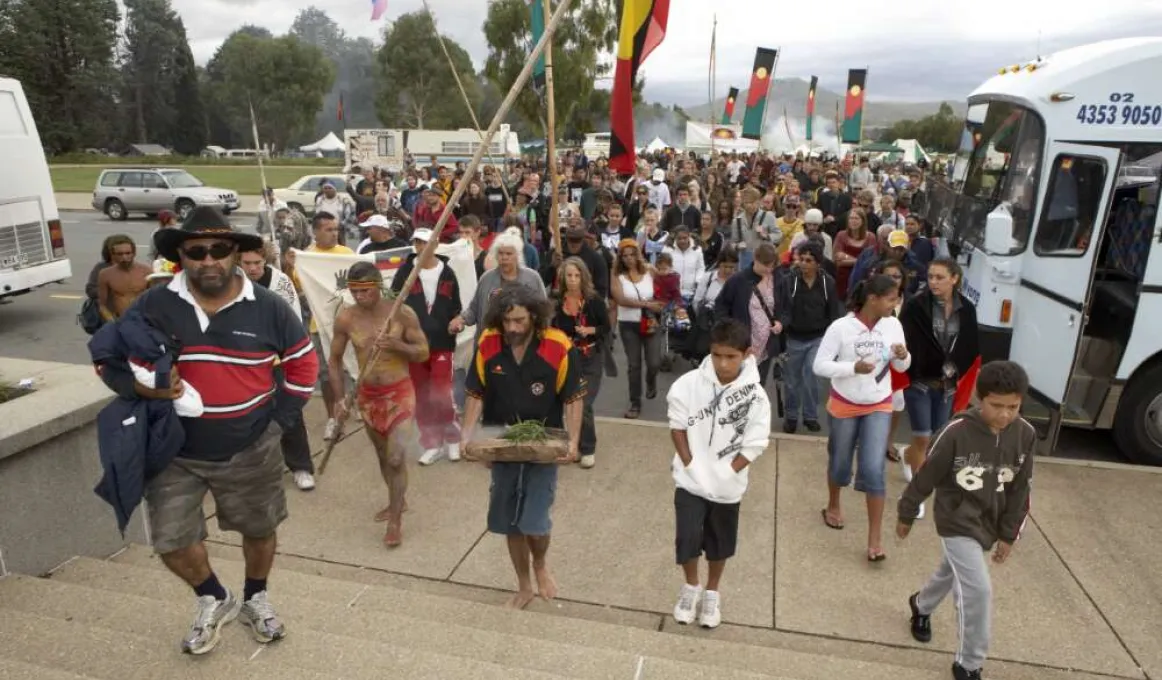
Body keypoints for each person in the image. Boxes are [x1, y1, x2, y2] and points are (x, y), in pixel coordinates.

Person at [103, 206, 317, 655]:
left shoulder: (269, 306)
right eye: (196, 251)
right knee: (171, 542)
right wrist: (148, 389)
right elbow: (110, 359)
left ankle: (255, 595)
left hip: (251, 446)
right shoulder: (154, 303)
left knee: (259, 529)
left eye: (219, 249)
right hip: (174, 451)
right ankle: (214, 596)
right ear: (181, 255)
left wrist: (280, 422)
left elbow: (303, 362)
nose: (208, 260)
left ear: (236, 254)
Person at [898, 361, 1035, 680]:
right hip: (955, 519)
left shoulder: (1025, 435)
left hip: (991, 521)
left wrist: (1008, 534)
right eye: (996, 406)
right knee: (977, 591)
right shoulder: (957, 431)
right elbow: (927, 472)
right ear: (978, 398)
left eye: (1013, 407)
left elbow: (1021, 489)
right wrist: (907, 511)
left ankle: (921, 604)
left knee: (953, 570)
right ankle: (969, 663)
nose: (1004, 415)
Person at [460, 284, 585, 609]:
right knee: (508, 521)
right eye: (507, 321)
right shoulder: (489, 341)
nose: (512, 328)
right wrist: (467, 435)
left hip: (542, 443)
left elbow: (573, 398)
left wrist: (572, 440)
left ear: (534, 315)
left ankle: (540, 565)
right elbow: (475, 391)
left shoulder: (558, 345)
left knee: (534, 521)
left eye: (519, 320)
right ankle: (524, 584)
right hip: (501, 442)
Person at [667, 318, 771, 629]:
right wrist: (689, 464)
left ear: (747, 354)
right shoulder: (688, 384)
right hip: (689, 483)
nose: (723, 364)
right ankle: (690, 587)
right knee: (686, 537)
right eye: (717, 355)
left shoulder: (756, 396)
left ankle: (712, 592)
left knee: (719, 543)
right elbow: (678, 426)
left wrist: (728, 472)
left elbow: (755, 443)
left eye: (731, 357)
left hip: (728, 487)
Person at [330, 262, 429, 548]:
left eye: (366, 290)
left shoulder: (401, 313)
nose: (360, 296)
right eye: (355, 291)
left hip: (399, 393)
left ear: (378, 286)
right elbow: (334, 361)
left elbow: (423, 353)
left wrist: (398, 346)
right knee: (384, 456)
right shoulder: (346, 319)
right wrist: (340, 399)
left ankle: (395, 521)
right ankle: (398, 500)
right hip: (368, 396)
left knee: (397, 457)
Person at [813, 274, 911, 562]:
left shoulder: (893, 324)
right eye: (891, 299)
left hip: (879, 404)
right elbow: (820, 365)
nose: (896, 304)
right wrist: (852, 367)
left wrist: (903, 356)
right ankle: (833, 504)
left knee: (873, 468)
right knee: (840, 461)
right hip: (845, 404)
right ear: (873, 298)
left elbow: (903, 363)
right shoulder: (841, 328)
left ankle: (875, 540)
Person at [900, 258, 981, 513]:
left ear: (954, 279)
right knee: (923, 437)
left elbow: (970, 344)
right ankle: (917, 495)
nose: (933, 282)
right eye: (931, 276)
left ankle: (907, 456)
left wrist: (957, 371)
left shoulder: (967, 308)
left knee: (936, 440)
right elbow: (908, 339)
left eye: (939, 277)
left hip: (947, 384)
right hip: (919, 382)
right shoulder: (916, 306)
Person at [239, 243, 316, 491]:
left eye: (257, 263)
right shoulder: (230, 282)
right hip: (244, 362)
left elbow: (291, 324)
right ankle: (253, 467)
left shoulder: (280, 283)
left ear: (265, 262)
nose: (252, 269)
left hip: (276, 360)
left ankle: (301, 466)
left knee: (290, 413)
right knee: (247, 415)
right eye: (247, 263)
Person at [389, 227, 464, 466]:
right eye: (416, 243)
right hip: (414, 345)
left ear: (435, 244)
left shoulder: (448, 273)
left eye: (424, 243)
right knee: (421, 395)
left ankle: (452, 438)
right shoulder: (405, 273)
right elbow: (394, 304)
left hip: (442, 342)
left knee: (441, 391)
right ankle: (432, 443)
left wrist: (456, 321)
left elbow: (456, 306)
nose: (419, 247)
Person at [284, 212, 354, 441]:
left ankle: (352, 406)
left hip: (350, 323)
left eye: (336, 229)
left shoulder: (347, 254)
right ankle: (333, 416)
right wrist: (289, 266)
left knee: (352, 368)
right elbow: (294, 288)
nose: (334, 233)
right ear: (315, 231)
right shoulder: (307, 258)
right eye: (328, 229)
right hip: (320, 325)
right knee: (326, 373)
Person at [776, 241, 843, 433]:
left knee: (812, 378)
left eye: (809, 260)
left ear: (818, 263)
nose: (803, 263)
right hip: (794, 338)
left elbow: (833, 312)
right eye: (801, 259)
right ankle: (791, 416)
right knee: (791, 381)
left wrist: (835, 342)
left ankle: (810, 416)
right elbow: (782, 309)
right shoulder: (790, 281)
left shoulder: (826, 282)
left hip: (818, 339)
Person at [550, 257, 609, 469]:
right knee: (568, 402)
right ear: (563, 278)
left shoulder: (593, 300)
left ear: (583, 277)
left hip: (590, 357)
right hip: (566, 359)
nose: (573, 280)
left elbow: (606, 327)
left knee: (584, 403)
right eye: (569, 276)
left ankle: (588, 448)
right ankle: (571, 445)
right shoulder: (557, 302)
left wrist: (591, 330)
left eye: (577, 275)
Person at [610, 239, 663, 419]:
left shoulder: (649, 270)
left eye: (632, 254)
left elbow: (664, 289)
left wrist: (662, 304)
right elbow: (621, 299)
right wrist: (647, 304)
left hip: (650, 322)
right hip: (628, 324)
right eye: (624, 256)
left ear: (638, 254)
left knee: (654, 362)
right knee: (634, 365)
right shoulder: (617, 275)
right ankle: (635, 403)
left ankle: (651, 381)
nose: (629, 259)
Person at [97, 235, 151, 321]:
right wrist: (112, 322)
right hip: (120, 320)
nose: (124, 258)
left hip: (143, 321)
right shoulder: (105, 274)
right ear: (113, 255)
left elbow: (155, 300)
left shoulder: (147, 271)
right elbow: (102, 305)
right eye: (120, 254)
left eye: (128, 253)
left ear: (134, 253)